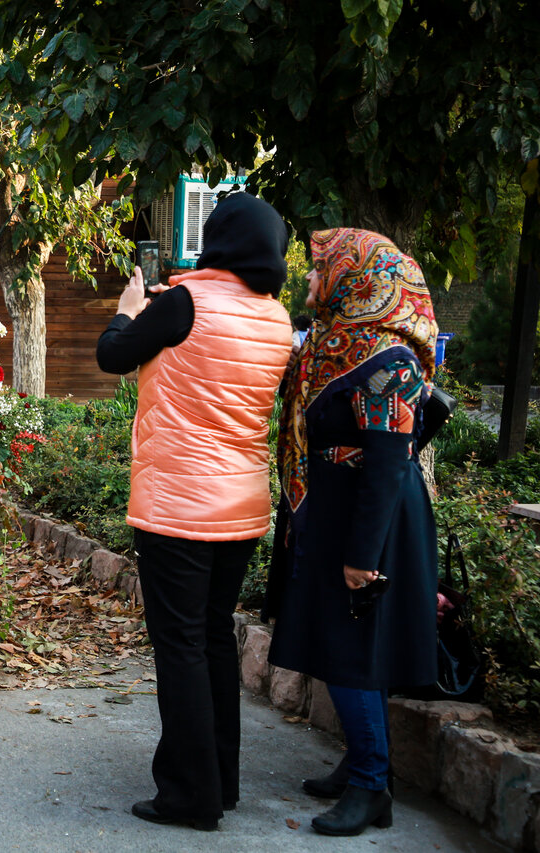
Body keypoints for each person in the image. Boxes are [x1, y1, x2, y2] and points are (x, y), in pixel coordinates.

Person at [96, 193, 293, 831]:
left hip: (179, 505)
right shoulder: (276, 316)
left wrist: (126, 312)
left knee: (179, 644)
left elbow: (113, 356)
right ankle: (220, 781)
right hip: (242, 505)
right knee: (211, 639)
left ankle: (188, 796)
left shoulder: (185, 303)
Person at [266, 228, 438, 837]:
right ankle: (363, 764)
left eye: (319, 270)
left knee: (352, 651)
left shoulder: (387, 361)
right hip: (335, 512)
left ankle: (373, 786)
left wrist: (363, 555)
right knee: (343, 645)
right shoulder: (333, 347)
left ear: (357, 277)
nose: (310, 279)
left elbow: (390, 462)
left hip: (372, 522)